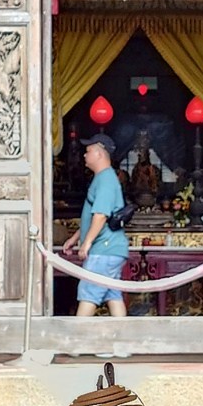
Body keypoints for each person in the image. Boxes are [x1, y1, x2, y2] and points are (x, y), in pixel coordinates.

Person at [63, 135, 130, 318]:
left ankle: (78, 342)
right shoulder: (103, 178)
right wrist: (75, 238)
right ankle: (122, 342)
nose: (85, 155)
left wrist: (87, 244)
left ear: (100, 154)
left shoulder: (106, 179)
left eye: (88, 151)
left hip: (104, 250)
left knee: (88, 294)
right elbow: (95, 217)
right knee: (113, 295)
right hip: (110, 249)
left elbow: (100, 216)